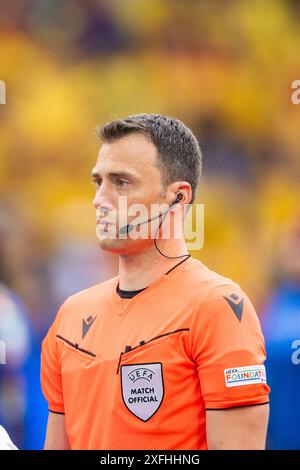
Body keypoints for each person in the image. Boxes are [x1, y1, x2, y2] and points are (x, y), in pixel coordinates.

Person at [41, 113, 270, 450]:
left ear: (178, 197)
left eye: (121, 182)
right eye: (98, 181)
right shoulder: (71, 315)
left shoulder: (217, 308)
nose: (99, 199)